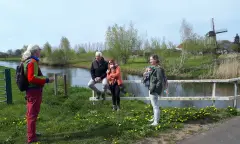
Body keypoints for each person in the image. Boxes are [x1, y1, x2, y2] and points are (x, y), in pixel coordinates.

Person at [22, 44, 54, 143]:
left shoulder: (27, 61)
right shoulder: (32, 62)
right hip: (34, 91)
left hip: (31, 91)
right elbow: (32, 78)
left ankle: (32, 133)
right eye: (39, 50)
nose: (40, 52)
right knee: (32, 114)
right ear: (35, 51)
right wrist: (47, 80)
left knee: (31, 114)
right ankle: (31, 138)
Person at [143, 54, 165, 126]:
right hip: (151, 88)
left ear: (155, 60)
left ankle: (156, 122)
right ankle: (154, 118)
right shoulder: (153, 68)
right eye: (150, 59)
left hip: (153, 89)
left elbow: (160, 80)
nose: (150, 61)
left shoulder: (158, 69)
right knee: (153, 105)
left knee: (155, 106)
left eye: (151, 59)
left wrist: (155, 89)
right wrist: (147, 71)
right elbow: (147, 75)